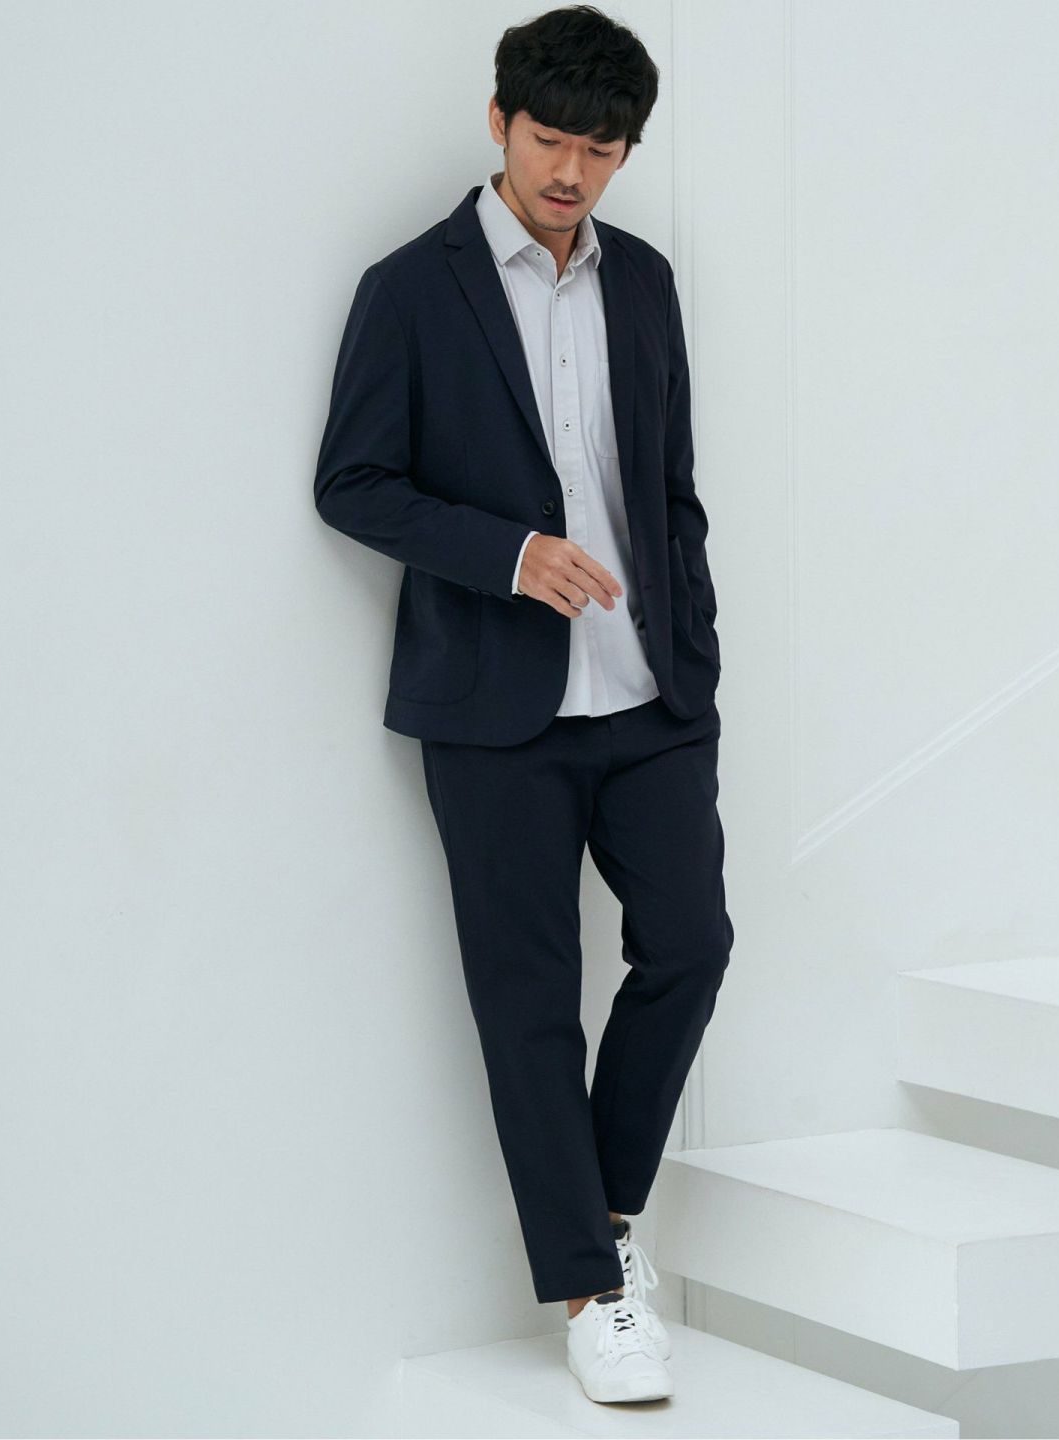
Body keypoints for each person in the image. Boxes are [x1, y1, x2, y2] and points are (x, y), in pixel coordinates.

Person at [313, 3, 733, 1406]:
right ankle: (593, 1294)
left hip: (650, 697)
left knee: (691, 944)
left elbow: (670, 489)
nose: (570, 171)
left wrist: (698, 659)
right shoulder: (408, 288)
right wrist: (510, 556)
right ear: (498, 123)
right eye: (550, 139)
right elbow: (352, 484)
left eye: (600, 150)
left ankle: (600, 1218)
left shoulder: (647, 280)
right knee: (529, 997)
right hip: (494, 710)